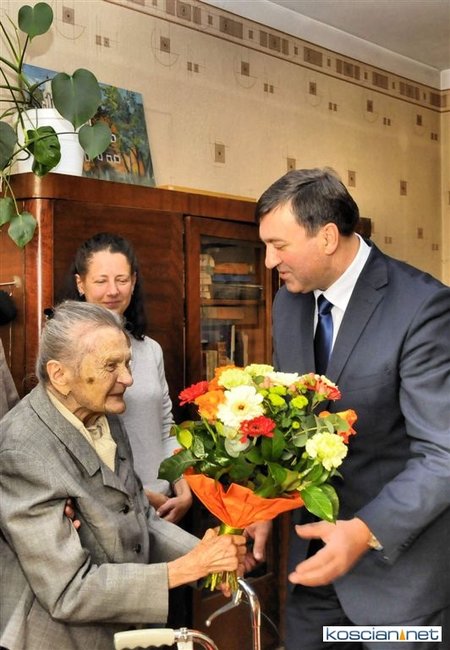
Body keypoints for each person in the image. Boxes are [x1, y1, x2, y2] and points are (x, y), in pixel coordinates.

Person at [255, 168, 450, 649]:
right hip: (313, 572)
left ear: (326, 237)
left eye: (278, 246)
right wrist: (264, 499)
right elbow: (289, 423)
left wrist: (364, 531)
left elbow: (442, 455)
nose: (269, 261)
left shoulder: (423, 307)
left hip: (398, 581)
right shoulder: (288, 305)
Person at [0, 301, 246, 650]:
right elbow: (69, 591)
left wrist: (209, 557)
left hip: (123, 634)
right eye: (110, 366)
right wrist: (184, 569)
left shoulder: (104, 413)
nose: (128, 378)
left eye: (127, 362)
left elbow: (141, 517)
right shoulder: (24, 449)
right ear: (59, 375)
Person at [59, 232, 192, 524]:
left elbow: (165, 425)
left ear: (133, 282)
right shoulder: (66, 354)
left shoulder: (150, 349)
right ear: (80, 284)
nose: (113, 291)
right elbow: (68, 443)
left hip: (165, 505)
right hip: (108, 510)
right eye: (101, 281)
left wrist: (182, 485)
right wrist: (139, 495)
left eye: (121, 280)